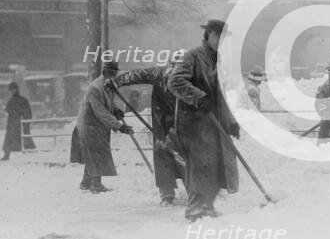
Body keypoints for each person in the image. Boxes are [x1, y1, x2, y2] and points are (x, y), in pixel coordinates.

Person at [168, 19, 240, 221]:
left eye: (224, 38)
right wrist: (199, 97)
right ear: (208, 35)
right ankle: (194, 209)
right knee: (201, 166)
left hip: (212, 124)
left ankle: (207, 206)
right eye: (218, 37)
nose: (220, 41)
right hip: (193, 124)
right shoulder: (193, 56)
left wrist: (231, 121)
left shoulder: (217, 61)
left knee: (215, 165)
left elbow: (220, 95)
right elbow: (174, 81)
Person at [107, 59, 185, 206]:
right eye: (177, 66)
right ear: (171, 65)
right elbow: (136, 75)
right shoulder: (158, 74)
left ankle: (196, 192)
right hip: (162, 123)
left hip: (184, 124)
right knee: (163, 158)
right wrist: (116, 82)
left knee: (187, 157)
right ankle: (167, 194)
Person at [74, 61, 134, 193]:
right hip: (89, 125)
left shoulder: (107, 86)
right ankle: (96, 185)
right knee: (95, 153)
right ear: (105, 72)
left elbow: (108, 105)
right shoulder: (95, 88)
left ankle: (86, 182)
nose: (114, 77)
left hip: (98, 126)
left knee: (94, 153)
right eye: (112, 74)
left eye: (115, 74)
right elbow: (101, 111)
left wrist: (116, 110)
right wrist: (119, 126)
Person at [2, 82, 35, 161]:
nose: (12, 91)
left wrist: (24, 120)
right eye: (11, 90)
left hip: (20, 124)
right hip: (12, 124)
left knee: (26, 140)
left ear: (17, 89)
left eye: (13, 89)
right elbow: (8, 110)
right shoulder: (11, 100)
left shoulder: (22, 100)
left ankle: (30, 156)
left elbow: (27, 112)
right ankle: (6, 155)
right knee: (9, 140)